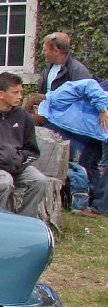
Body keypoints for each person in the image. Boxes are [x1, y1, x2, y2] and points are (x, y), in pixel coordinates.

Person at [0, 72, 52, 218]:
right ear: (1, 94)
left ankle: (25, 220)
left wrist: (19, 158)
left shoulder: (24, 116)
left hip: (19, 166)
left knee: (40, 181)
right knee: (4, 183)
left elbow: (31, 149)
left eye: (21, 92)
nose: (20, 96)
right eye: (15, 92)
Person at [29, 78, 108, 215]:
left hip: (104, 119)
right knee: (87, 163)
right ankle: (92, 201)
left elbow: (89, 84)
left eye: (31, 118)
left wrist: (102, 108)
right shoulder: (51, 121)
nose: (33, 123)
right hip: (97, 133)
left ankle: (101, 208)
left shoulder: (57, 98)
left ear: (36, 108)